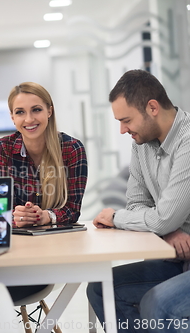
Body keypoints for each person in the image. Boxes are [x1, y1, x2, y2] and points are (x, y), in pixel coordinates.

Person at [87, 69, 190, 333]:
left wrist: (115, 217)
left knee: (160, 304)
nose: (122, 130)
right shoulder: (141, 143)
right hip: (176, 256)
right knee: (101, 289)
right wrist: (168, 229)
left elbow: (162, 217)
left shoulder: (188, 142)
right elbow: (136, 203)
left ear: (152, 107)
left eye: (126, 120)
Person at [0, 82, 88, 227]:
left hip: (59, 240)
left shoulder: (72, 149)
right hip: (20, 239)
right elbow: (0, 211)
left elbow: (72, 210)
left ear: (49, 111)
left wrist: (47, 216)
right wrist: (19, 217)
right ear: (12, 117)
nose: (29, 119)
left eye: (36, 110)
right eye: (20, 112)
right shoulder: (2, 149)